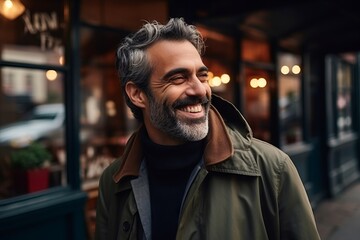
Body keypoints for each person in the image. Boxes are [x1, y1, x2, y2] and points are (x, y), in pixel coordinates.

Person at [95, 17, 320, 240]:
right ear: (137, 94)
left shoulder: (272, 170)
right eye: (178, 78)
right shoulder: (113, 181)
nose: (200, 90)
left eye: (202, 76)